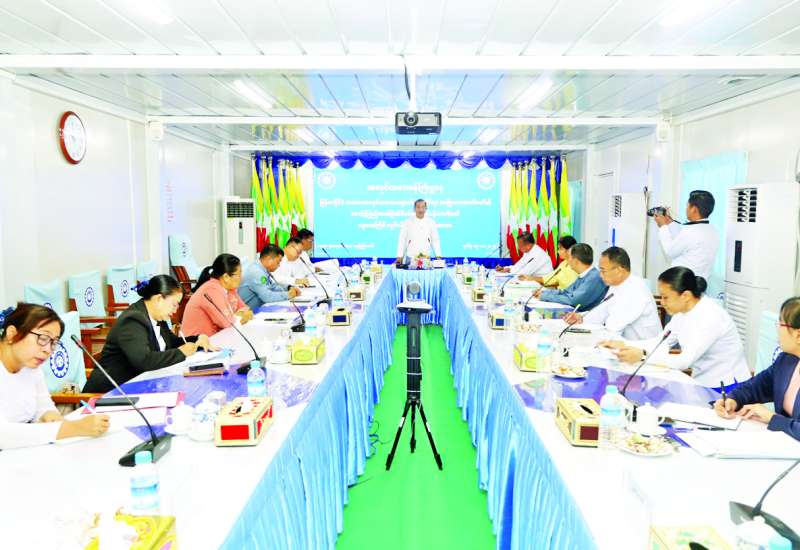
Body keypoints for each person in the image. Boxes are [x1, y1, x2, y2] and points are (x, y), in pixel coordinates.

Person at [601, 267, 750, 387]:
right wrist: (624, 344)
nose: (662, 302)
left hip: (727, 387)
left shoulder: (710, 316)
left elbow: (684, 361)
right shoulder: (682, 313)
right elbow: (660, 342)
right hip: (702, 380)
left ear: (685, 296)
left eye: (666, 297)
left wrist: (642, 356)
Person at [1, 303, 109, 449]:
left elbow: (44, 408)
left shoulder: (31, 366)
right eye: (43, 338)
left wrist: (51, 417)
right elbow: (3, 435)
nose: (48, 350)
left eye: (54, 342)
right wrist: (74, 428)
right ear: (12, 334)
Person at [83, 276, 216, 393]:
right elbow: (144, 361)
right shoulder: (132, 320)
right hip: (111, 392)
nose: (175, 310)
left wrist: (198, 339)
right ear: (158, 299)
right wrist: (181, 352)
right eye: (174, 304)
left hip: (139, 385)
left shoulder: (157, 316)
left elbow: (172, 342)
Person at [714, 297, 800, 440]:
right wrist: (733, 400)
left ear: (798, 335)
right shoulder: (786, 360)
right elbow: (755, 387)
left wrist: (772, 418)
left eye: (780, 324)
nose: (777, 330)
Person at [565, 246, 661, 340]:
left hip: (643, 347)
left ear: (619, 270)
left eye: (603, 271)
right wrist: (582, 318)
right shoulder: (616, 284)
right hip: (625, 343)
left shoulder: (636, 289)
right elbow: (603, 309)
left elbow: (614, 326)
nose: (600, 275)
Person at [182, 253, 253, 337]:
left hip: (217, 337)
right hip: (196, 342)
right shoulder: (211, 290)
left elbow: (246, 309)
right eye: (238, 274)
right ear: (226, 277)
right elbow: (229, 323)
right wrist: (242, 316)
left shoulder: (230, 288)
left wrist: (240, 315)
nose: (241, 277)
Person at [653, 190, 720, 279]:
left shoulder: (691, 232)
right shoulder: (712, 230)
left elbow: (670, 251)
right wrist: (669, 223)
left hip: (683, 282)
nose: (686, 209)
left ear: (694, 209)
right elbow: (681, 242)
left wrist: (662, 227)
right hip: (699, 281)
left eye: (687, 206)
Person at [535, 243, 608, 311]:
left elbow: (574, 300)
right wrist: (544, 292)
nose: (567, 261)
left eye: (569, 257)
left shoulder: (594, 277)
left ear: (575, 260)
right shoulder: (584, 275)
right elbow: (566, 292)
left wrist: (545, 296)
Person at [239, 244, 301, 310]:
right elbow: (267, 296)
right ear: (269, 259)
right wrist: (288, 295)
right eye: (278, 262)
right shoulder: (256, 272)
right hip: (248, 312)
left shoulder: (261, 269)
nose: (279, 265)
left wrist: (288, 287)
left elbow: (271, 286)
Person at [395, 199, 441, 263]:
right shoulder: (407, 222)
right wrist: (400, 256)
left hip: (426, 259)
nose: (420, 210)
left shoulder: (431, 222)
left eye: (423, 207)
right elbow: (402, 239)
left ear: (426, 209)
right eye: (418, 207)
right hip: (411, 258)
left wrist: (438, 255)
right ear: (414, 209)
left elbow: (435, 240)